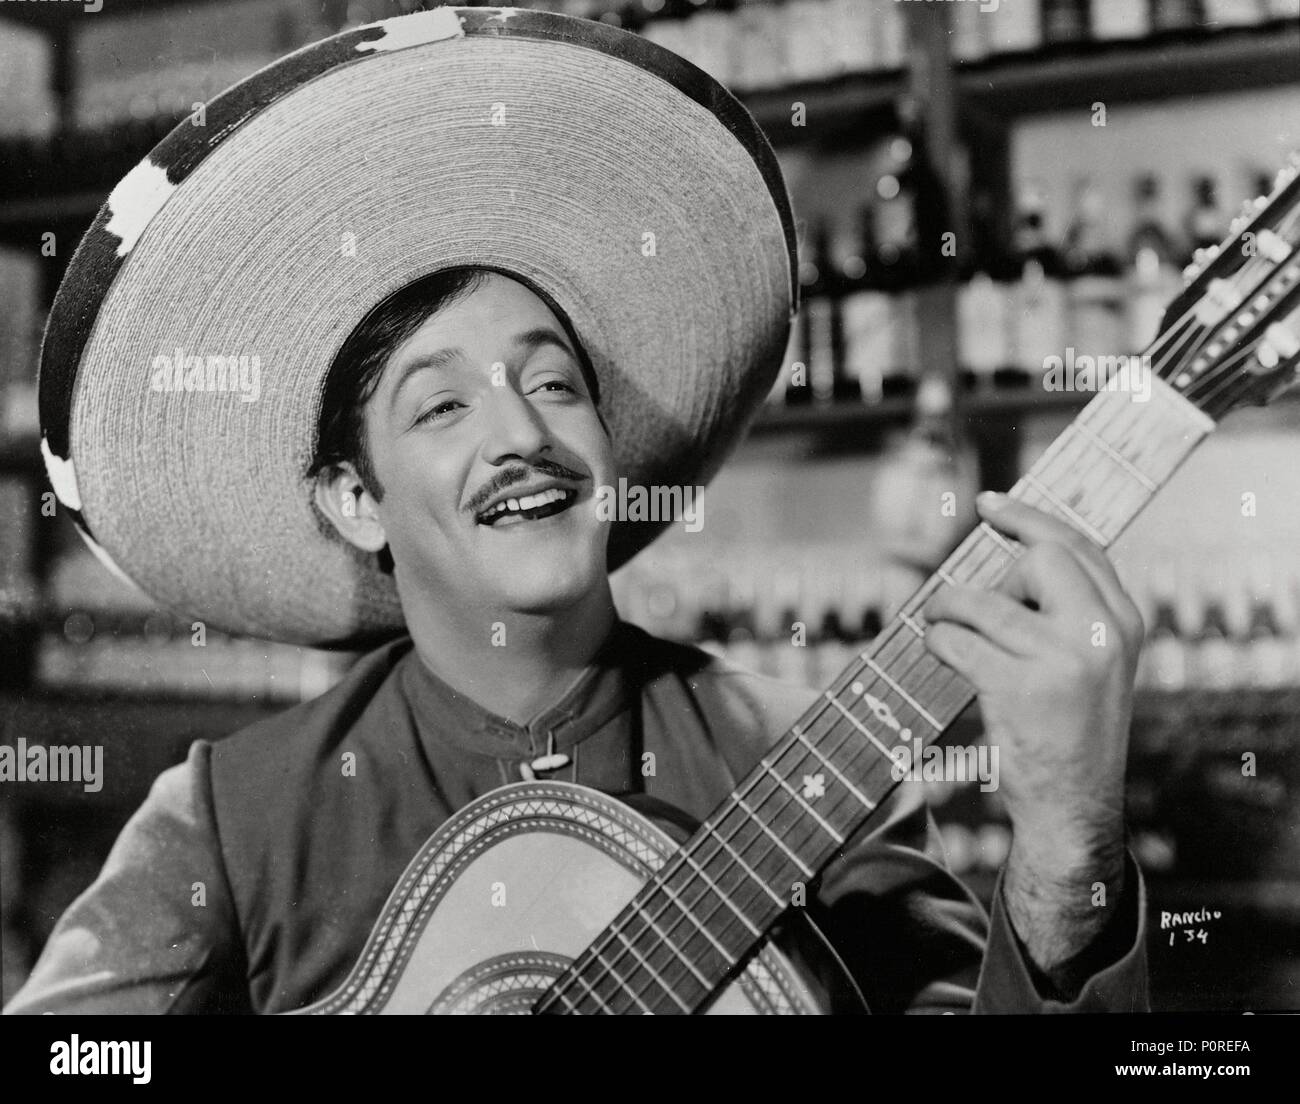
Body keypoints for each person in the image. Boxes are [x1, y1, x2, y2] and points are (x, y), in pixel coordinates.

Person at [7, 8, 1146, 1015]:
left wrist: (1067, 841)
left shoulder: (809, 763)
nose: (521, 435)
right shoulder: (235, 814)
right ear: (359, 501)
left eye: (552, 383)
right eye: (442, 405)